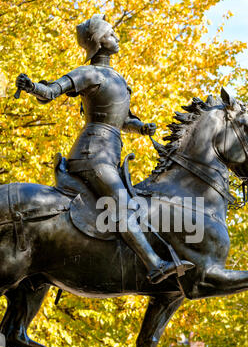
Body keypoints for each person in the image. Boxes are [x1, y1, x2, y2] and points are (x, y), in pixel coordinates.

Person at [16, 14, 193, 284]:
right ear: (98, 42)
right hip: (92, 155)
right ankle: (154, 264)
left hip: (108, 155)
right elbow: (51, 92)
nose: (116, 37)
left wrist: (141, 127)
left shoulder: (117, 78)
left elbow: (122, 120)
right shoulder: (89, 73)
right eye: (110, 34)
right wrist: (32, 87)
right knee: (121, 203)